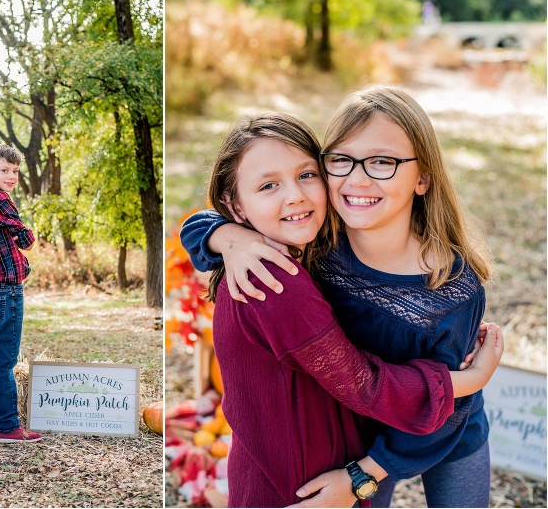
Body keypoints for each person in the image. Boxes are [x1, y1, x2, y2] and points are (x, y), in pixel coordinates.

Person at [180, 86, 497, 507]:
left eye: (383, 162)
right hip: (359, 428)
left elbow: (451, 404)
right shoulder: (317, 244)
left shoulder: (452, 289)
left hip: (438, 427)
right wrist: (229, 237)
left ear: (422, 177)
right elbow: (202, 221)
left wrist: (366, 473)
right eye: (342, 160)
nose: (358, 178)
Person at [0, 143, 42, 443]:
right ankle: (5, 426)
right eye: (5, 170)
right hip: (6, 289)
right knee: (4, 359)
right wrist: (25, 235)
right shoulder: (0, 201)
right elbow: (26, 239)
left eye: (15, 171)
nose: (11, 176)